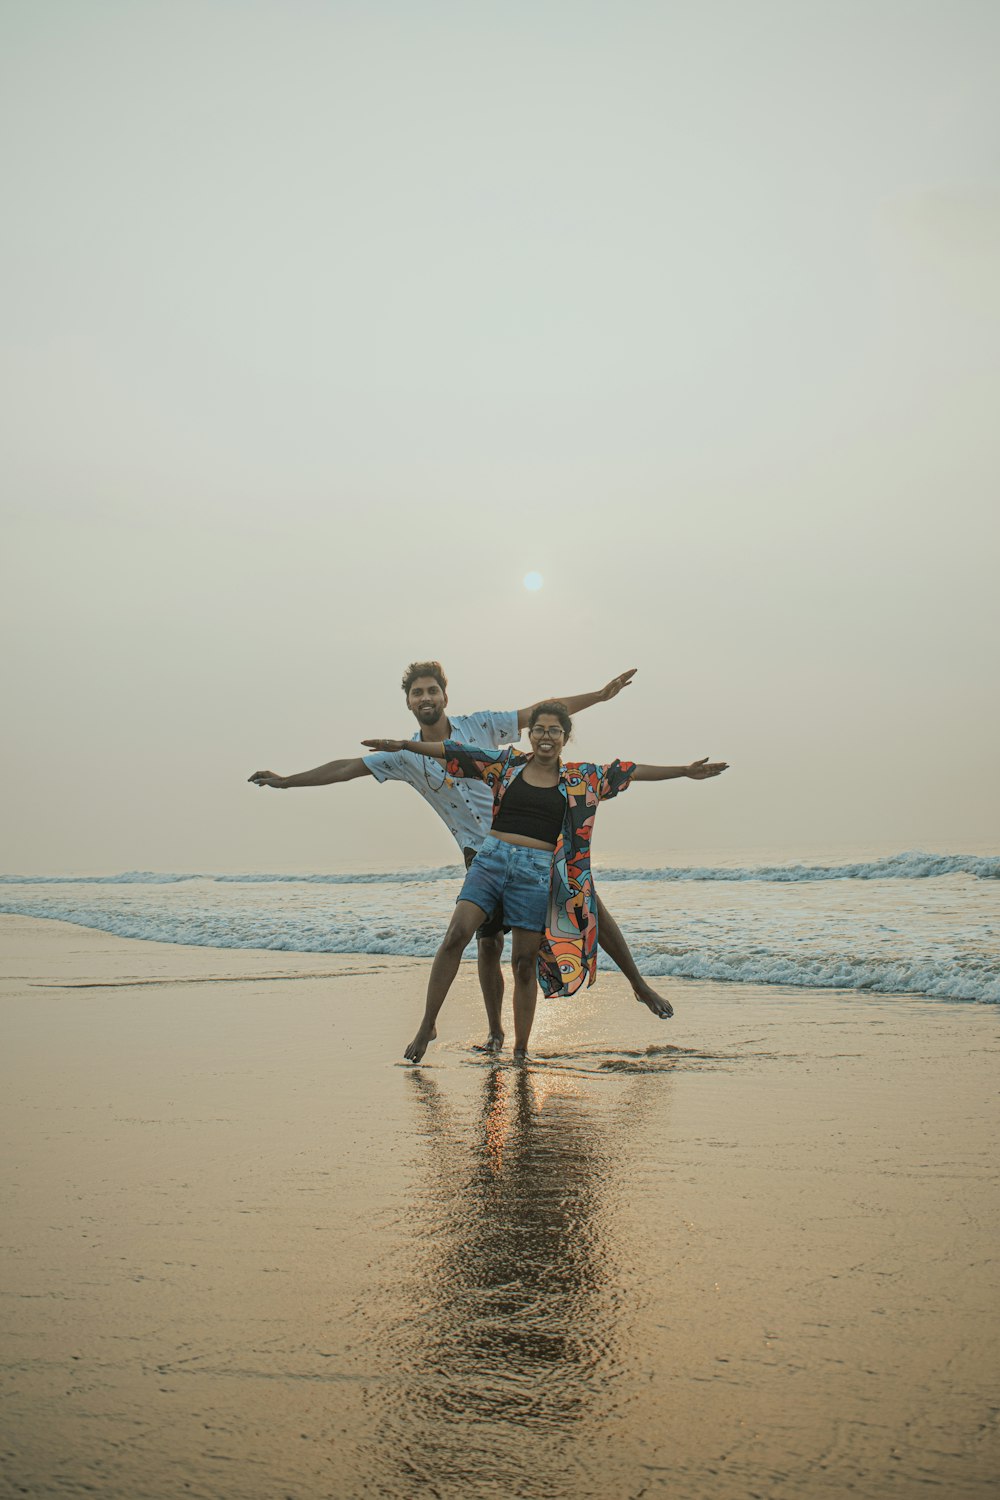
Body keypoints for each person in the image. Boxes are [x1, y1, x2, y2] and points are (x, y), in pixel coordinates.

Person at [249, 662, 673, 1052]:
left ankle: (639, 984)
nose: (426, 698)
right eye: (417, 693)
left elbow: (539, 714)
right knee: (488, 943)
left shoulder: (481, 727)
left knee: (587, 904)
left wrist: (600, 696)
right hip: (482, 855)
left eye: (432, 690)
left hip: (535, 842)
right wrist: (288, 782)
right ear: (409, 702)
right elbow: (347, 767)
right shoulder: (405, 755)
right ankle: (494, 1032)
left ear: (445, 696)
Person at [362, 702, 728, 1063]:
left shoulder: (581, 778)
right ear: (531, 734)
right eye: (539, 729)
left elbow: (627, 770)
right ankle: (428, 1025)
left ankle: (520, 1050)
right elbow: (456, 751)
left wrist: (683, 770)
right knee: (456, 934)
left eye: (554, 730)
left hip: (536, 873)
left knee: (523, 962)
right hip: (490, 861)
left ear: (565, 737)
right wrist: (405, 745)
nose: (545, 736)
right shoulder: (506, 764)